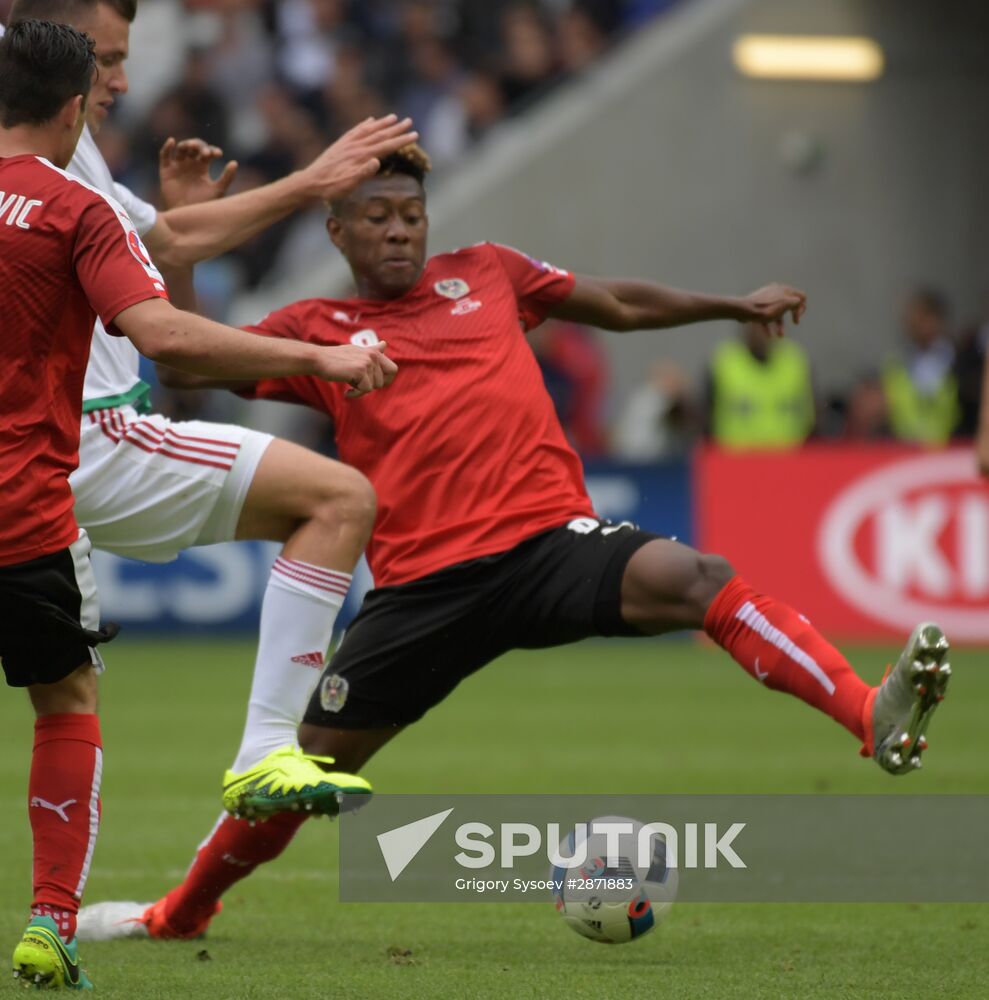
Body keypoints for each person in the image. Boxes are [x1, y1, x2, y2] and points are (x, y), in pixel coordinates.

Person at [79, 145, 952, 943]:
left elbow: (612, 302)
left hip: (548, 543)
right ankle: (178, 913)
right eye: (377, 217)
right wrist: (183, 250)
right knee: (304, 771)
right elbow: (189, 369)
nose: (398, 232)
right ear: (337, 229)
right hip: (423, 593)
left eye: (411, 217)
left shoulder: (487, 273)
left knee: (696, 577)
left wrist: (729, 305)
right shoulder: (316, 326)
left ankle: (866, 714)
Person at [0, 20, 396, 989]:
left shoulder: (91, 187)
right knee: (66, 700)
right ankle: (55, 919)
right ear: (64, 103)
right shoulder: (77, 202)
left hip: (59, 465)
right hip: (40, 486)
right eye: (108, 61)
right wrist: (319, 356)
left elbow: (167, 255)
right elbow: (167, 339)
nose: (122, 82)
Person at [705, 320, 815, 450]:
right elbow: (706, 420)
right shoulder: (724, 363)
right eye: (758, 324)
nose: (763, 332)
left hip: (788, 461)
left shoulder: (795, 362)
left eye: (770, 323)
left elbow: (811, 419)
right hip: (736, 462)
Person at [881, 287, 960, 445]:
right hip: (906, 450)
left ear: (936, 319)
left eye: (921, 318)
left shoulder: (958, 361)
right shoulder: (897, 363)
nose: (914, 325)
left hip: (952, 450)